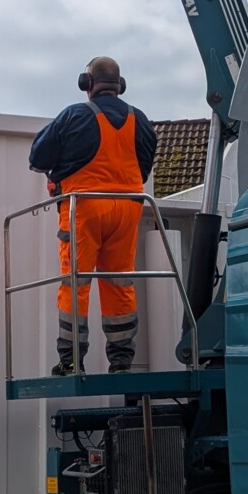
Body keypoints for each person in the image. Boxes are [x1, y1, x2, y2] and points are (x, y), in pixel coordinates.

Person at [30, 55, 157, 374]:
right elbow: (144, 166)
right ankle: (122, 361)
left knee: (76, 282)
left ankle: (71, 360)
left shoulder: (74, 115)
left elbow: (38, 156)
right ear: (120, 85)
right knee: (119, 282)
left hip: (83, 208)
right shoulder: (141, 121)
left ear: (86, 84)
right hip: (129, 210)